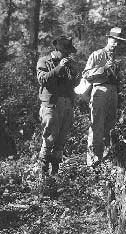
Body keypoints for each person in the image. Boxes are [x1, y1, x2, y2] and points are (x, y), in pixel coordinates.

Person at [82, 27, 126, 166]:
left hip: (114, 92)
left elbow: (121, 79)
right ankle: (93, 160)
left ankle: (106, 160)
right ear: (108, 39)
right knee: (97, 125)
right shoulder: (97, 55)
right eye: (114, 40)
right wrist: (103, 68)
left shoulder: (118, 59)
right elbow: (86, 75)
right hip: (99, 90)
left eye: (118, 42)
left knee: (110, 126)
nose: (116, 44)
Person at [37, 35, 78, 176]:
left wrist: (73, 72)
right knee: (49, 139)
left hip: (67, 104)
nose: (67, 55)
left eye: (68, 53)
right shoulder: (44, 61)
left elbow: (74, 84)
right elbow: (42, 79)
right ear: (57, 49)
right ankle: (42, 176)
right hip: (51, 105)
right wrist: (59, 68)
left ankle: (54, 175)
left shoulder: (68, 64)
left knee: (60, 141)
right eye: (65, 52)